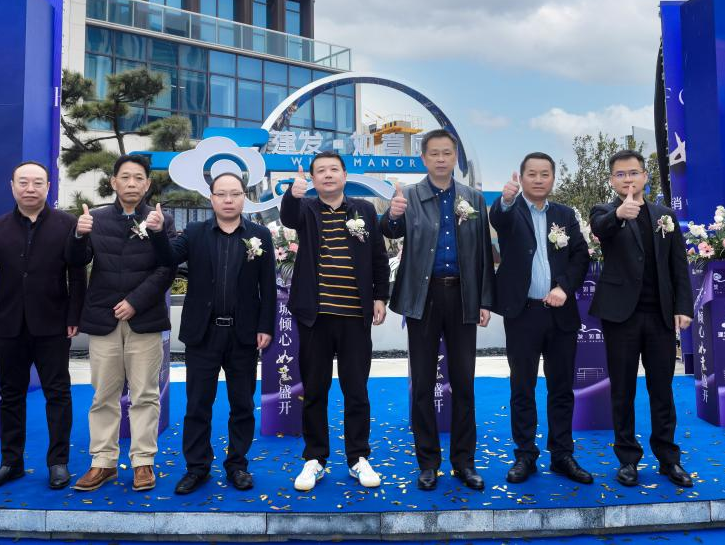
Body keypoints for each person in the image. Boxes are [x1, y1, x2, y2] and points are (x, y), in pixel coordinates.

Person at [0, 160, 85, 491]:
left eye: (37, 182)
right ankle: (11, 463)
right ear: (12, 187)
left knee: (58, 394)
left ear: (48, 187)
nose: (30, 188)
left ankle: (58, 462)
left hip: (53, 324)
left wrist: (74, 317)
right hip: (10, 325)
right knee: (11, 395)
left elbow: (78, 274)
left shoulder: (67, 224)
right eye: (23, 182)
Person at [145, 173, 275, 495]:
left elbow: (268, 286)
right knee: (198, 405)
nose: (228, 200)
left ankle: (237, 465)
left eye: (235, 193)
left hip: (243, 335)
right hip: (203, 333)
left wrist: (265, 326)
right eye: (222, 194)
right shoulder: (195, 232)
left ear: (244, 197)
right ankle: (197, 468)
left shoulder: (259, 235)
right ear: (211, 198)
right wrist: (158, 232)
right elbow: (168, 258)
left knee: (242, 404)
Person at [380, 129, 495, 491]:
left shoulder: (473, 198)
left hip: (462, 296)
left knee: (464, 383)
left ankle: (464, 462)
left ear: (455, 157)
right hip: (423, 297)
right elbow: (389, 230)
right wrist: (393, 214)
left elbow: (483, 252)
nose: (441, 159)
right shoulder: (410, 195)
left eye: (447, 153)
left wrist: (484, 300)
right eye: (434, 153)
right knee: (423, 385)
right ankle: (427, 463)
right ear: (424, 158)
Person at [279, 152, 390, 492]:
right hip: (315, 317)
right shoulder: (306, 209)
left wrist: (380, 296)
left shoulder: (364, 210)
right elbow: (288, 217)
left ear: (344, 174)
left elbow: (378, 255)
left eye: (333, 170)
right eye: (320, 171)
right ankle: (315, 458)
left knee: (356, 389)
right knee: (315, 390)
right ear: (313, 179)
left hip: (355, 316)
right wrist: (293, 194)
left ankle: (358, 457)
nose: (327, 175)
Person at [589, 149, 694, 489]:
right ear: (612, 180)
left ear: (645, 176)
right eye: (620, 174)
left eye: (633, 172)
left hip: (660, 315)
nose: (628, 179)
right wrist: (620, 214)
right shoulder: (604, 212)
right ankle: (627, 459)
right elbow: (601, 229)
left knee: (662, 389)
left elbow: (678, 264)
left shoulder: (665, 216)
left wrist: (683, 306)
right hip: (620, 316)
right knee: (622, 390)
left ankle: (668, 458)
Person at [70, 155, 174, 493]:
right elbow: (76, 262)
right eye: (125, 177)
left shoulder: (160, 219)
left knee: (145, 394)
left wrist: (135, 301)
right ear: (113, 182)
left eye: (138, 178)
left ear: (148, 184)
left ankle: (143, 461)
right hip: (104, 319)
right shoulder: (96, 218)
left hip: (145, 318)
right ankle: (103, 462)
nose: (131, 183)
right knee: (104, 394)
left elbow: (168, 267)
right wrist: (78, 235)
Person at [490, 153, 593, 485]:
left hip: (560, 314)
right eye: (531, 174)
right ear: (521, 178)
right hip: (523, 313)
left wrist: (564, 287)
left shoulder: (564, 214)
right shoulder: (510, 210)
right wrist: (506, 200)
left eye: (544, 174)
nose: (538, 179)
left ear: (553, 178)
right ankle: (525, 455)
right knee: (522, 387)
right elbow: (498, 219)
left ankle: (562, 454)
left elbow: (580, 255)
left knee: (561, 388)